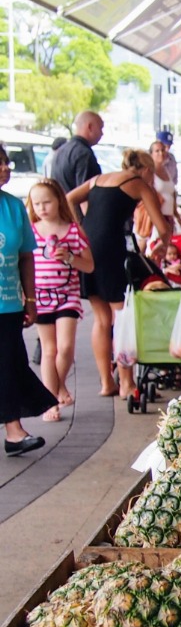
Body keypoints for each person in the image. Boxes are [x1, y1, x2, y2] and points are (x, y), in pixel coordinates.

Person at [66, 149, 173, 400]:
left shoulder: (98, 179)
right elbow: (161, 225)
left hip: (88, 248)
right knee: (122, 316)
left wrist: (82, 226)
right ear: (146, 170)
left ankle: (106, 383)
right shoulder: (137, 184)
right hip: (113, 250)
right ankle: (126, 383)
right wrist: (164, 243)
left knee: (102, 318)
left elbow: (70, 198)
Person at [0, 147, 58, 455]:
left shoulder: (13, 207)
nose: (5, 168)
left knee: (9, 365)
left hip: (8, 304)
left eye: (6, 162)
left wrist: (31, 298)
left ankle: (14, 432)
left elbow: (26, 257)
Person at [27, 180, 93, 421]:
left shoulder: (74, 231)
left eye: (47, 202)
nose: (42, 208)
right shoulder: (30, 230)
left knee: (65, 347)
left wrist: (70, 258)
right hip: (40, 297)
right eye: (37, 203)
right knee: (49, 350)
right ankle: (51, 400)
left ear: (58, 202)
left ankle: (55, 389)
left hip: (67, 297)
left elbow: (89, 264)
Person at [50, 111, 104, 195]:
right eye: (100, 128)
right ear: (90, 127)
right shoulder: (84, 154)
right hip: (77, 207)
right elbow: (87, 193)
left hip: (62, 206)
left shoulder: (60, 151)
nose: (102, 133)